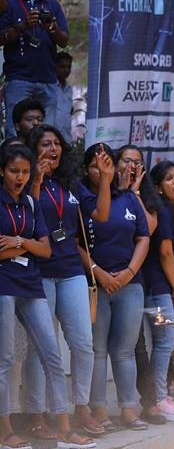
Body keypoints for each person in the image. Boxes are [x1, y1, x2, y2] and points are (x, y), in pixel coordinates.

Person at [0, 144, 95, 449]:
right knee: (5, 359)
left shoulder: (29, 201)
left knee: (52, 356)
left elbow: (46, 248)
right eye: (14, 171)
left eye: (25, 172)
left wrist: (17, 242)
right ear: (2, 170)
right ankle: (5, 431)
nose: (20, 177)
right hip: (4, 285)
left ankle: (64, 428)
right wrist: (28, 245)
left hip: (30, 283)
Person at [23, 125, 111, 437]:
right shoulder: (22, 178)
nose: (53, 149)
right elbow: (27, 220)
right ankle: (36, 414)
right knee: (41, 349)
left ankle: (81, 408)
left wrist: (105, 180)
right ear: (34, 149)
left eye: (57, 144)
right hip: (39, 272)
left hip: (72, 270)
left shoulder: (70, 183)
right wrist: (35, 179)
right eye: (45, 144)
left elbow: (100, 214)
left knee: (83, 344)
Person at [82, 143, 152, 432]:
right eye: (97, 166)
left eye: (107, 164)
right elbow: (76, 244)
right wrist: (99, 273)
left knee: (124, 351)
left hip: (130, 285)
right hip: (96, 285)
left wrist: (129, 272)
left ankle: (128, 409)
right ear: (86, 169)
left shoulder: (129, 198)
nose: (103, 170)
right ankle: (98, 410)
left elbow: (144, 238)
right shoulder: (82, 198)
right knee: (97, 350)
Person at [0, 0, 69, 139]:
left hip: (48, 79)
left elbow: (64, 41)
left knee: (47, 135)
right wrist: (23, 26)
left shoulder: (52, 5)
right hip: (19, 79)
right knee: (14, 134)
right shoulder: (10, 6)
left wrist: (52, 28)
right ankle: (15, 168)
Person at [142, 160, 174, 421]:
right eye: (169, 179)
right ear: (158, 188)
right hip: (157, 286)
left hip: (161, 285)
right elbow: (166, 252)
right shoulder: (164, 212)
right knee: (164, 342)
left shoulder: (171, 209)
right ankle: (159, 398)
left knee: (165, 343)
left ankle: (162, 394)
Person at [52, 51, 75, 142]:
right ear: (54, 67)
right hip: (51, 137)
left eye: (69, 67)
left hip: (66, 138)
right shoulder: (48, 88)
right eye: (62, 66)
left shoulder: (69, 89)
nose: (66, 70)